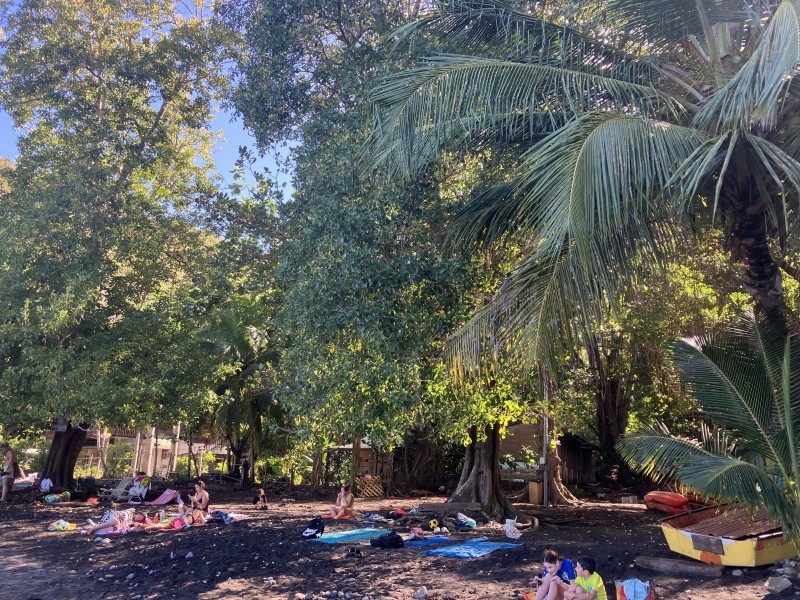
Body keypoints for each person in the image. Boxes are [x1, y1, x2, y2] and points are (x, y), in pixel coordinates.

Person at [80, 508, 148, 535]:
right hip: (112, 514)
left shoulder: (131, 522)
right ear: (138, 513)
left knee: (115, 528)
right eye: (139, 517)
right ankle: (93, 528)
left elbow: (123, 525)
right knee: (116, 522)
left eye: (139, 519)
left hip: (114, 521)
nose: (138, 519)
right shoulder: (131, 512)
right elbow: (132, 509)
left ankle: (91, 531)